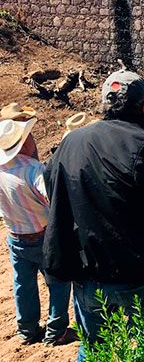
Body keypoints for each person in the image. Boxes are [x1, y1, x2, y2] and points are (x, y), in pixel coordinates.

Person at [42, 70, 144, 361]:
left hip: (89, 273)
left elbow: (53, 190)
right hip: (139, 273)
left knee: (93, 349)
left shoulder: (71, 142)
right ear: (143, 107)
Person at [0, 118, 72, 346]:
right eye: (29, 137)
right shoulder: (33, 170)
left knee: (23, 283)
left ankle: (27, 330)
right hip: (42, 236)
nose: (34, 140)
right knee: (58, 281)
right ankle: (56, 330)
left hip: (15, 236)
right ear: (23, 144)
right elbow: (53, 200)